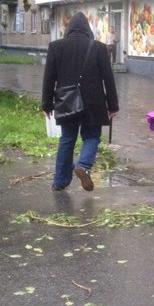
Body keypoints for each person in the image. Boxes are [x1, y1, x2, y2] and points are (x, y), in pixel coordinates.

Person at [41, 11, 119, 191]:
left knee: (67, 139)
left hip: (66, 101)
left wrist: (47, 104)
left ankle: (60, 182)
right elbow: (108, 79)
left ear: (69, 29)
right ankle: (83, 165)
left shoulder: (56, 47)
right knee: (91, 136)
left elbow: (49, 78)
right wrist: (112, 106)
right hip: (94, 102)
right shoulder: (99, 47)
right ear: (87, 29)